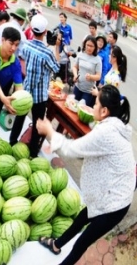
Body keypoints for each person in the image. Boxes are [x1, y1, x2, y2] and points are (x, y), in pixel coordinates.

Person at [37, 85, 134, 265]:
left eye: (95, 103)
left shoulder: (106, 132)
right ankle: (56, 245)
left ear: (104, 111)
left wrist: (49, 131)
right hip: (108, 194)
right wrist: (99, 93)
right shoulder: (116, 125)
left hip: (114, 205)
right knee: (81, 218)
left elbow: (70, 149)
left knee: (81, 244)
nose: (93, 106)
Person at [9, 14, 60, 157]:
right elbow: (56, 68)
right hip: (39, 95)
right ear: (45, 32)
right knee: (38, 124)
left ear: (31, 29)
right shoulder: (47, 53)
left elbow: (23, 59)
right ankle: (32, 152)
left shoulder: (26, 45)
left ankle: (12, 142)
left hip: (25, 91)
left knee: (20, 117)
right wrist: (57, 47)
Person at [72, 36, 102, 107]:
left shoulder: (97, 59)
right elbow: (75, 67)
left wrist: (91, 77)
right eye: (88, 45)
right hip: (78, 86)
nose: (89, 48)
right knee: (72, 106)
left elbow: (98, 76)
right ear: (84, 44)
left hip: (89, 91)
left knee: (81, 110)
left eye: (91, 46)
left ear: (95, 47)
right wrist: (75, 75)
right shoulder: (80, 54)